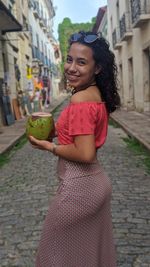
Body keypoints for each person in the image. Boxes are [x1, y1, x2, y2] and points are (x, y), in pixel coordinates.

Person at [28, 31, 120, 267]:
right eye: (69, 60)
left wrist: (49, 146)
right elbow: (82, 133)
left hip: (79, 189)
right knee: (85, 256)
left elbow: (85, 153)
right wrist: (56, 130)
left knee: (52, 256)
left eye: (81, 62)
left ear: (97, 68)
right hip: (96, 185)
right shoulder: (94, 94)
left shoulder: (80, 100)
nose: (71, 67)